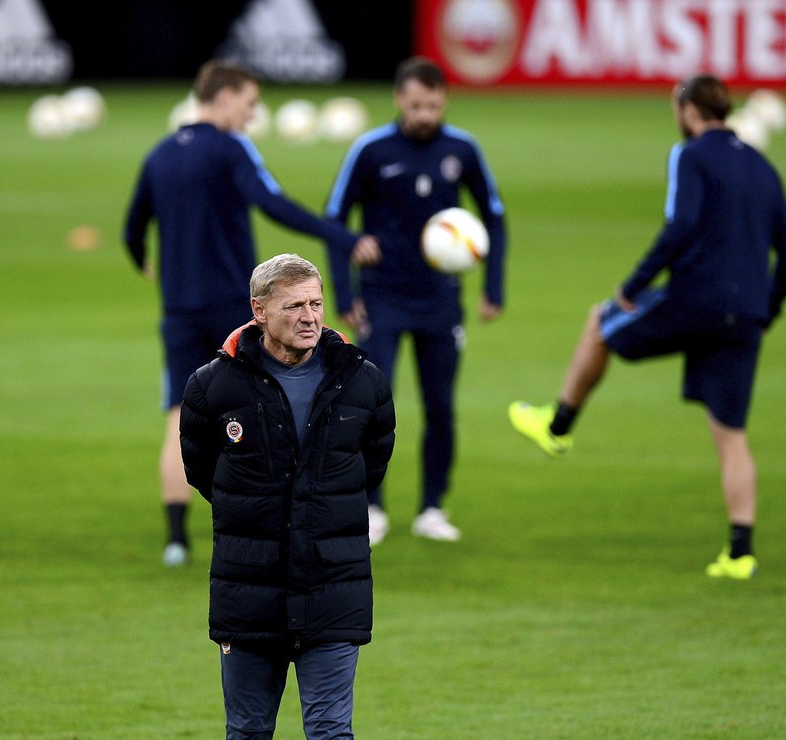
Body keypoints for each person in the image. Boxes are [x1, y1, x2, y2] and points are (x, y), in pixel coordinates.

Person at [509, 74, 786, 580]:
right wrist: (767, 312)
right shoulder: (762, 164)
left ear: (688, 111)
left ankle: (557, 427)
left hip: (695, 299)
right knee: (731, 436)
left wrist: (634, 283)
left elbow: (681, 225)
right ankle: (740, 552)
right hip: (745, 314)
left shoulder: (688, 155)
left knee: (601, 320)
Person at [124, 60, 377, 566]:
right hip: (231, 310)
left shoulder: (159, 155)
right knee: (260, 413)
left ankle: (176, 539)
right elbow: (272, 201)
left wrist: (146, 262)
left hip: (178, 310)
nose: (252, 113)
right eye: (248, 102)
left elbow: (133, 229)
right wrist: (343, 237)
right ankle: (274, 531)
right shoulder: (231, 147)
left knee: (180, 415)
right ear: (223, 98)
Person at [179, 254, 395, 739]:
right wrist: (266, 505)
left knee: (331, 731)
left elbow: (370, 467)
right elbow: (204, 473)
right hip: (249, 591)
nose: (310, 317)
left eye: (316, 303)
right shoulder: (212, 387)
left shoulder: (362, 382)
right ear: (259, 311)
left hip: (333, 588)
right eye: (294, 305)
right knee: (249, 732)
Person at [324, 57, 507, 545]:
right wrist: (344, 292)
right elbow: (335, 217)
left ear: (444, 100)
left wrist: (494, 287)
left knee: (441, 407)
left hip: (441, 301)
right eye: (415, 104)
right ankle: (371, 507)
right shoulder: (371, 149)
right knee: (370, 406)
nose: (424, 113)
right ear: (399, 100)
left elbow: (494, 216)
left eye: (432, 104)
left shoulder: (462, 149)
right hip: (381, 298)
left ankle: (431, 508)